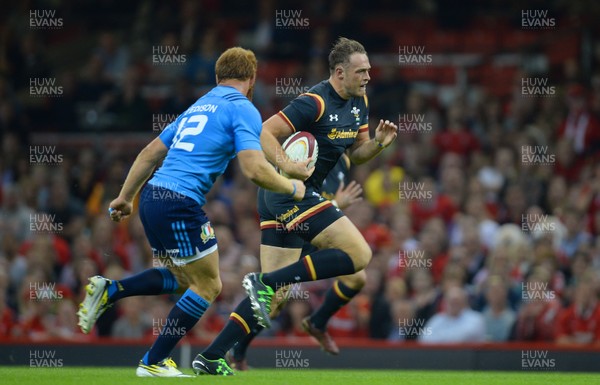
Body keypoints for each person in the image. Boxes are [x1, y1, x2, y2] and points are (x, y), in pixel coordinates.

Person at [76, 47, 306, 377]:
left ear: (217, 78)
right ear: (252, 78)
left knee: (185, 278)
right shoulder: (243, 108)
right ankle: (153, 361)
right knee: (209, 286)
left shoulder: (199, 106)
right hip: (178, 202)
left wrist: (125, 197)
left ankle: (112, 290)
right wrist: (292, 187)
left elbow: (149, 153)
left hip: (153, 197)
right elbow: (254, 169)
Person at [192, 37, 398, 375]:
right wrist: (286, 164)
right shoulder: (314, 101)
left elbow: (357, 152)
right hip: (289, 191)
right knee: (359, 255)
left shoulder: (359, 101)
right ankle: (266, 282)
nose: (368, 77)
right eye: (361, 71)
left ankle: (211, 356)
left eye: (369, 71)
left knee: (273, 303)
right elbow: (263, 132)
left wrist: (377, 143)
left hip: (292, 195)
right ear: (339, 72)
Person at [230, 154, 363, 369]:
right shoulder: (306, 156)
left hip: (318, 236)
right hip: (293, 237)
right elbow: (298, 203)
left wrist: (337, 205)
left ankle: (316, 322)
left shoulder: (342, 161)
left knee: (357, 277)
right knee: (274, 303)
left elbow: (324, 210)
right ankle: (234, 350)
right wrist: (338, 203)